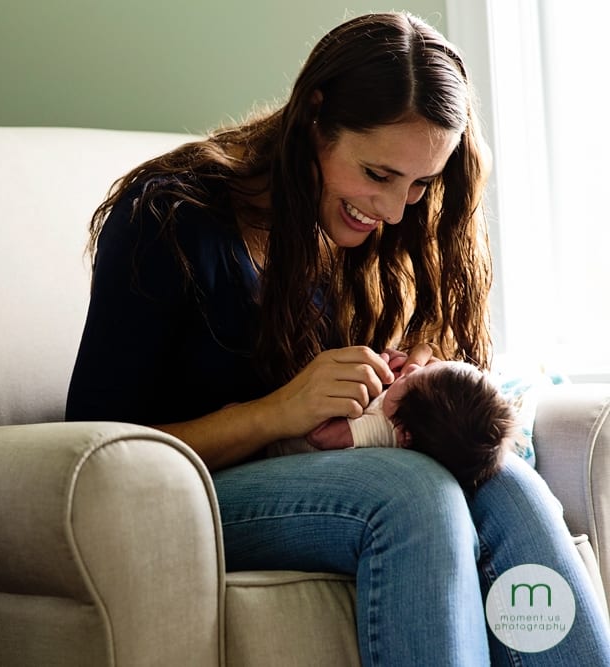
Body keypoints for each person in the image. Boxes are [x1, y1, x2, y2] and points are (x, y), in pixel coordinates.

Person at [65, 11, 610, 666]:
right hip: (189, 494)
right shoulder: (169, 219)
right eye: (378, 175)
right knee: (412, 496)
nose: (391, 210)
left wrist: (417, 381)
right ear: (316, 119)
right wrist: (277, 412)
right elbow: (96, 450)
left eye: (419, 185)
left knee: (507, 484)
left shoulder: (360, 238)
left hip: (310, 475)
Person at [271, 356, 516, 493]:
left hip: (276, 451)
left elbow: (320, 437)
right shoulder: (409, 420)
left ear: (404, 435)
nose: (411, 367)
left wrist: (361, 394)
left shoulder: (378, 429)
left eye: (409, 379)